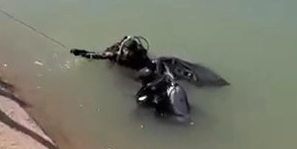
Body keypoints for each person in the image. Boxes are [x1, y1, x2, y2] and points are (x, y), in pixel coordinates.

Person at [71, 36, 228, 119]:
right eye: (128, 52)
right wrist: (82, 53)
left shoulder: (143, 58)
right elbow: (98, 56)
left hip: (152, 77)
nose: (130, 54)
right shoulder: (116, 55)